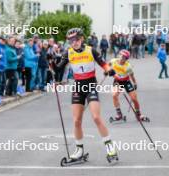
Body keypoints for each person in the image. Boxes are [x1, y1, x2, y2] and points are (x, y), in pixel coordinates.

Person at [55, 28, 118, 161]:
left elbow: (104, 64)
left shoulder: (91, 50)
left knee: (96, 117)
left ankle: (110, 148)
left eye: (76, 39)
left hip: (90, 85)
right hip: (78, 86)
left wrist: (109, 70)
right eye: (71, 40)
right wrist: (52, 66)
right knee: (77, 121)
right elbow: (59, 68)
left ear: (81, 38)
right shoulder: (68, 52)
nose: (74, 42)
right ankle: (79, 150)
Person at [109, 50, 147, 121]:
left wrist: (135, 83)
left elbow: (131, 75)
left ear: (126, 59)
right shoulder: (113, 61)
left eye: (124, 57)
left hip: (126, 81)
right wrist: (107, 71)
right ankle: (119, 114)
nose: (122, 58)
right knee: (114, 95)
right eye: (121, 55)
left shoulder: (128, 66)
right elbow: (108, 65)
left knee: (134, 99)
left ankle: (138, 114)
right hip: (117, 82)